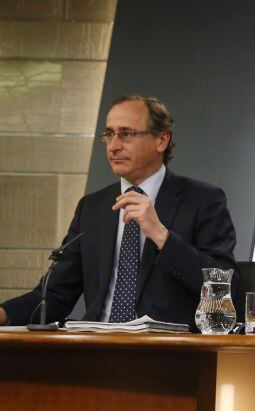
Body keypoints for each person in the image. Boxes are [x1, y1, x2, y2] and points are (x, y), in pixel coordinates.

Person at [0, 95, 237, 327]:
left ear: (161, 141)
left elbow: (226, 290)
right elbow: (54, 295)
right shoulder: (92, 208)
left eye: (126, 134)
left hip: (168, 352)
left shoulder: (202, 200)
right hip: (97, 345)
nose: (113, 146)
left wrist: (161, 236)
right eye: (109, 134)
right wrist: (3, 314)